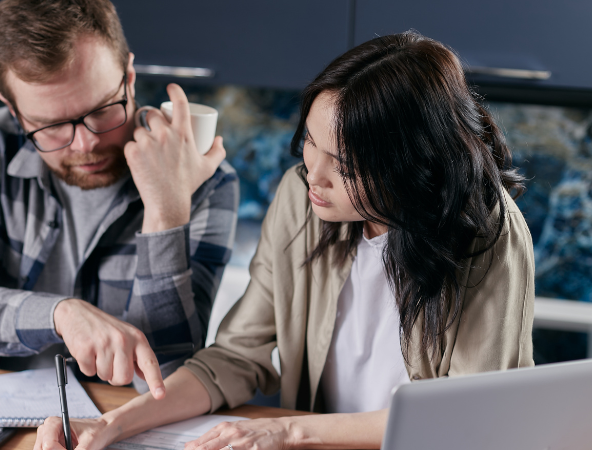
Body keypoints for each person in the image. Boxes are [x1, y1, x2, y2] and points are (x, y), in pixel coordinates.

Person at [34, 31, 535, 450]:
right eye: (311, 142)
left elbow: (467, 418)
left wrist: (288, 430)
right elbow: (235, 358)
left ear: (411, 165)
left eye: (344, 166)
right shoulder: (301, 199)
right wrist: (111, 425)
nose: (313, 175)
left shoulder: (488, 233)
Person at [0, 0, 239, 397]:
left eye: (102, 110)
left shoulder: (204, 178)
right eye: (50, 126)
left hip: (123, 418)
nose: (86, 144)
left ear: (129, 78)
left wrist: (165, 214)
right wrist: (60, 315)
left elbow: (168, 378)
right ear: (14, 112)